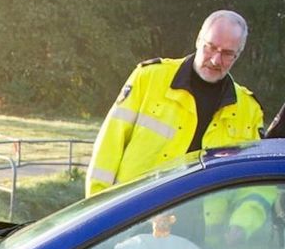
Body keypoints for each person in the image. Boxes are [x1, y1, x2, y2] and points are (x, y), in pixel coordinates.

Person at [86, 10, 264, 197]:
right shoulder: (149, 78)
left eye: (227, 54)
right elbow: (108, 147)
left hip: (205, 223)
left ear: (238, 55)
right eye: (210, 47)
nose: (215, 60)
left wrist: (241, 226)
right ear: (198, 40)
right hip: (136, 212)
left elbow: (251, 186)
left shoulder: (249, 110)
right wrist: (97, 206)